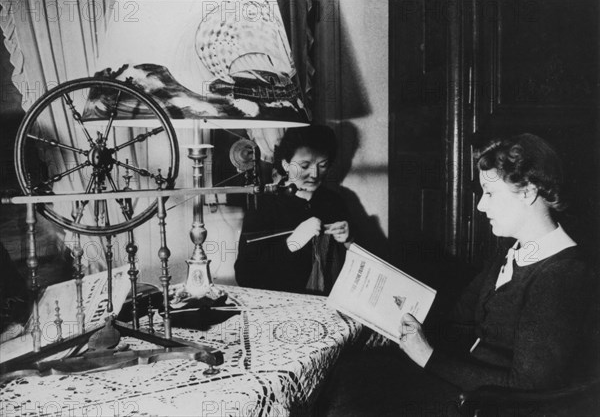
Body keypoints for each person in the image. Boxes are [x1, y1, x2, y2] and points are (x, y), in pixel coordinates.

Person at [319, 133, 596, 416]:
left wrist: (428, 357)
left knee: (354, 395)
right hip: (464, 379)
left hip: (491, 405)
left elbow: (527, 386)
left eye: (489, 194)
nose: (480, 206)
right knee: (350, 371)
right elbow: (459, 318)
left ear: (528, 192)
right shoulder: (511, 249)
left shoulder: (563, 274)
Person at [234, 125, 350, 294]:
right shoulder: (265, 206)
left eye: (323, 165)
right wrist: (292, 243)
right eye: (304, 166)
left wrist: (349, 241)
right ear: (286, 164)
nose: (315, 174)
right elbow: (244, 276)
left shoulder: (334, 201)